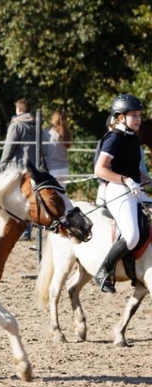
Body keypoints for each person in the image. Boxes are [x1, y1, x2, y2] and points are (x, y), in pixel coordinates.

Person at [94, 94, 152, 293]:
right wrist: (125, 180)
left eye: (139, 115)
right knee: (132, 236)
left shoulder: (132, 138)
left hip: (134, 189)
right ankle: (104, 270)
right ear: (120, 118)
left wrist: (148, 180)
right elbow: (100, 170)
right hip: (117, 190)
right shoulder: (115, 138)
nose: (138, 119)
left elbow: (135, 170)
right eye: (133, 115)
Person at [0, 98, 36, 240]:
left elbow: (9, 146)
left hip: (17, 167)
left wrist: (3, 164)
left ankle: (17, 231)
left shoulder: (16, 125)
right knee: (28, 199)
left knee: (13, 199)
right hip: (32, 168)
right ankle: (26, 231)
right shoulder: (35, 125)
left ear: (19, 110)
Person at [42, 109, 72, 189]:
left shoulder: (48, 133)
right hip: (64, 168)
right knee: (62, 195)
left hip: (52, 168)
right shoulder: (66, 133)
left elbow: (44, 152)